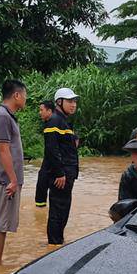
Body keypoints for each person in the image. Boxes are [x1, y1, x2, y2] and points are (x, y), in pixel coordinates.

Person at [0, 79, 27, 266]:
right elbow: (3, 149)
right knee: (1, 223)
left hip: (8, 179)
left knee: (3, 223)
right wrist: (12, 180)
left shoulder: (7, 115)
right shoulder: (2, 116)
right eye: (25, 95)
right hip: (5, 180)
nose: (26, 99)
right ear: (16, 95)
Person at [43, 88, 80, 245]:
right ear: (59, 102)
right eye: (70, 101)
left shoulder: (63, 121)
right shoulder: (54, 121)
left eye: (75, 101)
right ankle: (54, 244)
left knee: (63, 209)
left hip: (67, 173)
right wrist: (59, 173)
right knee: (58, 211)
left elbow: (65, 147)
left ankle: (57, 242)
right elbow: (51, 150)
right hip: (61, 175)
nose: (74, 105)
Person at [34, 99, 55, 208]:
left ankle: (41, 210)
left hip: (53, 164)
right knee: (41, 185)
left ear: (49, 111)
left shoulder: (53, 125)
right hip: (48, 162)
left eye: (41, 110)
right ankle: (40, 212)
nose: (40, 112)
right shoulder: (48, 124)